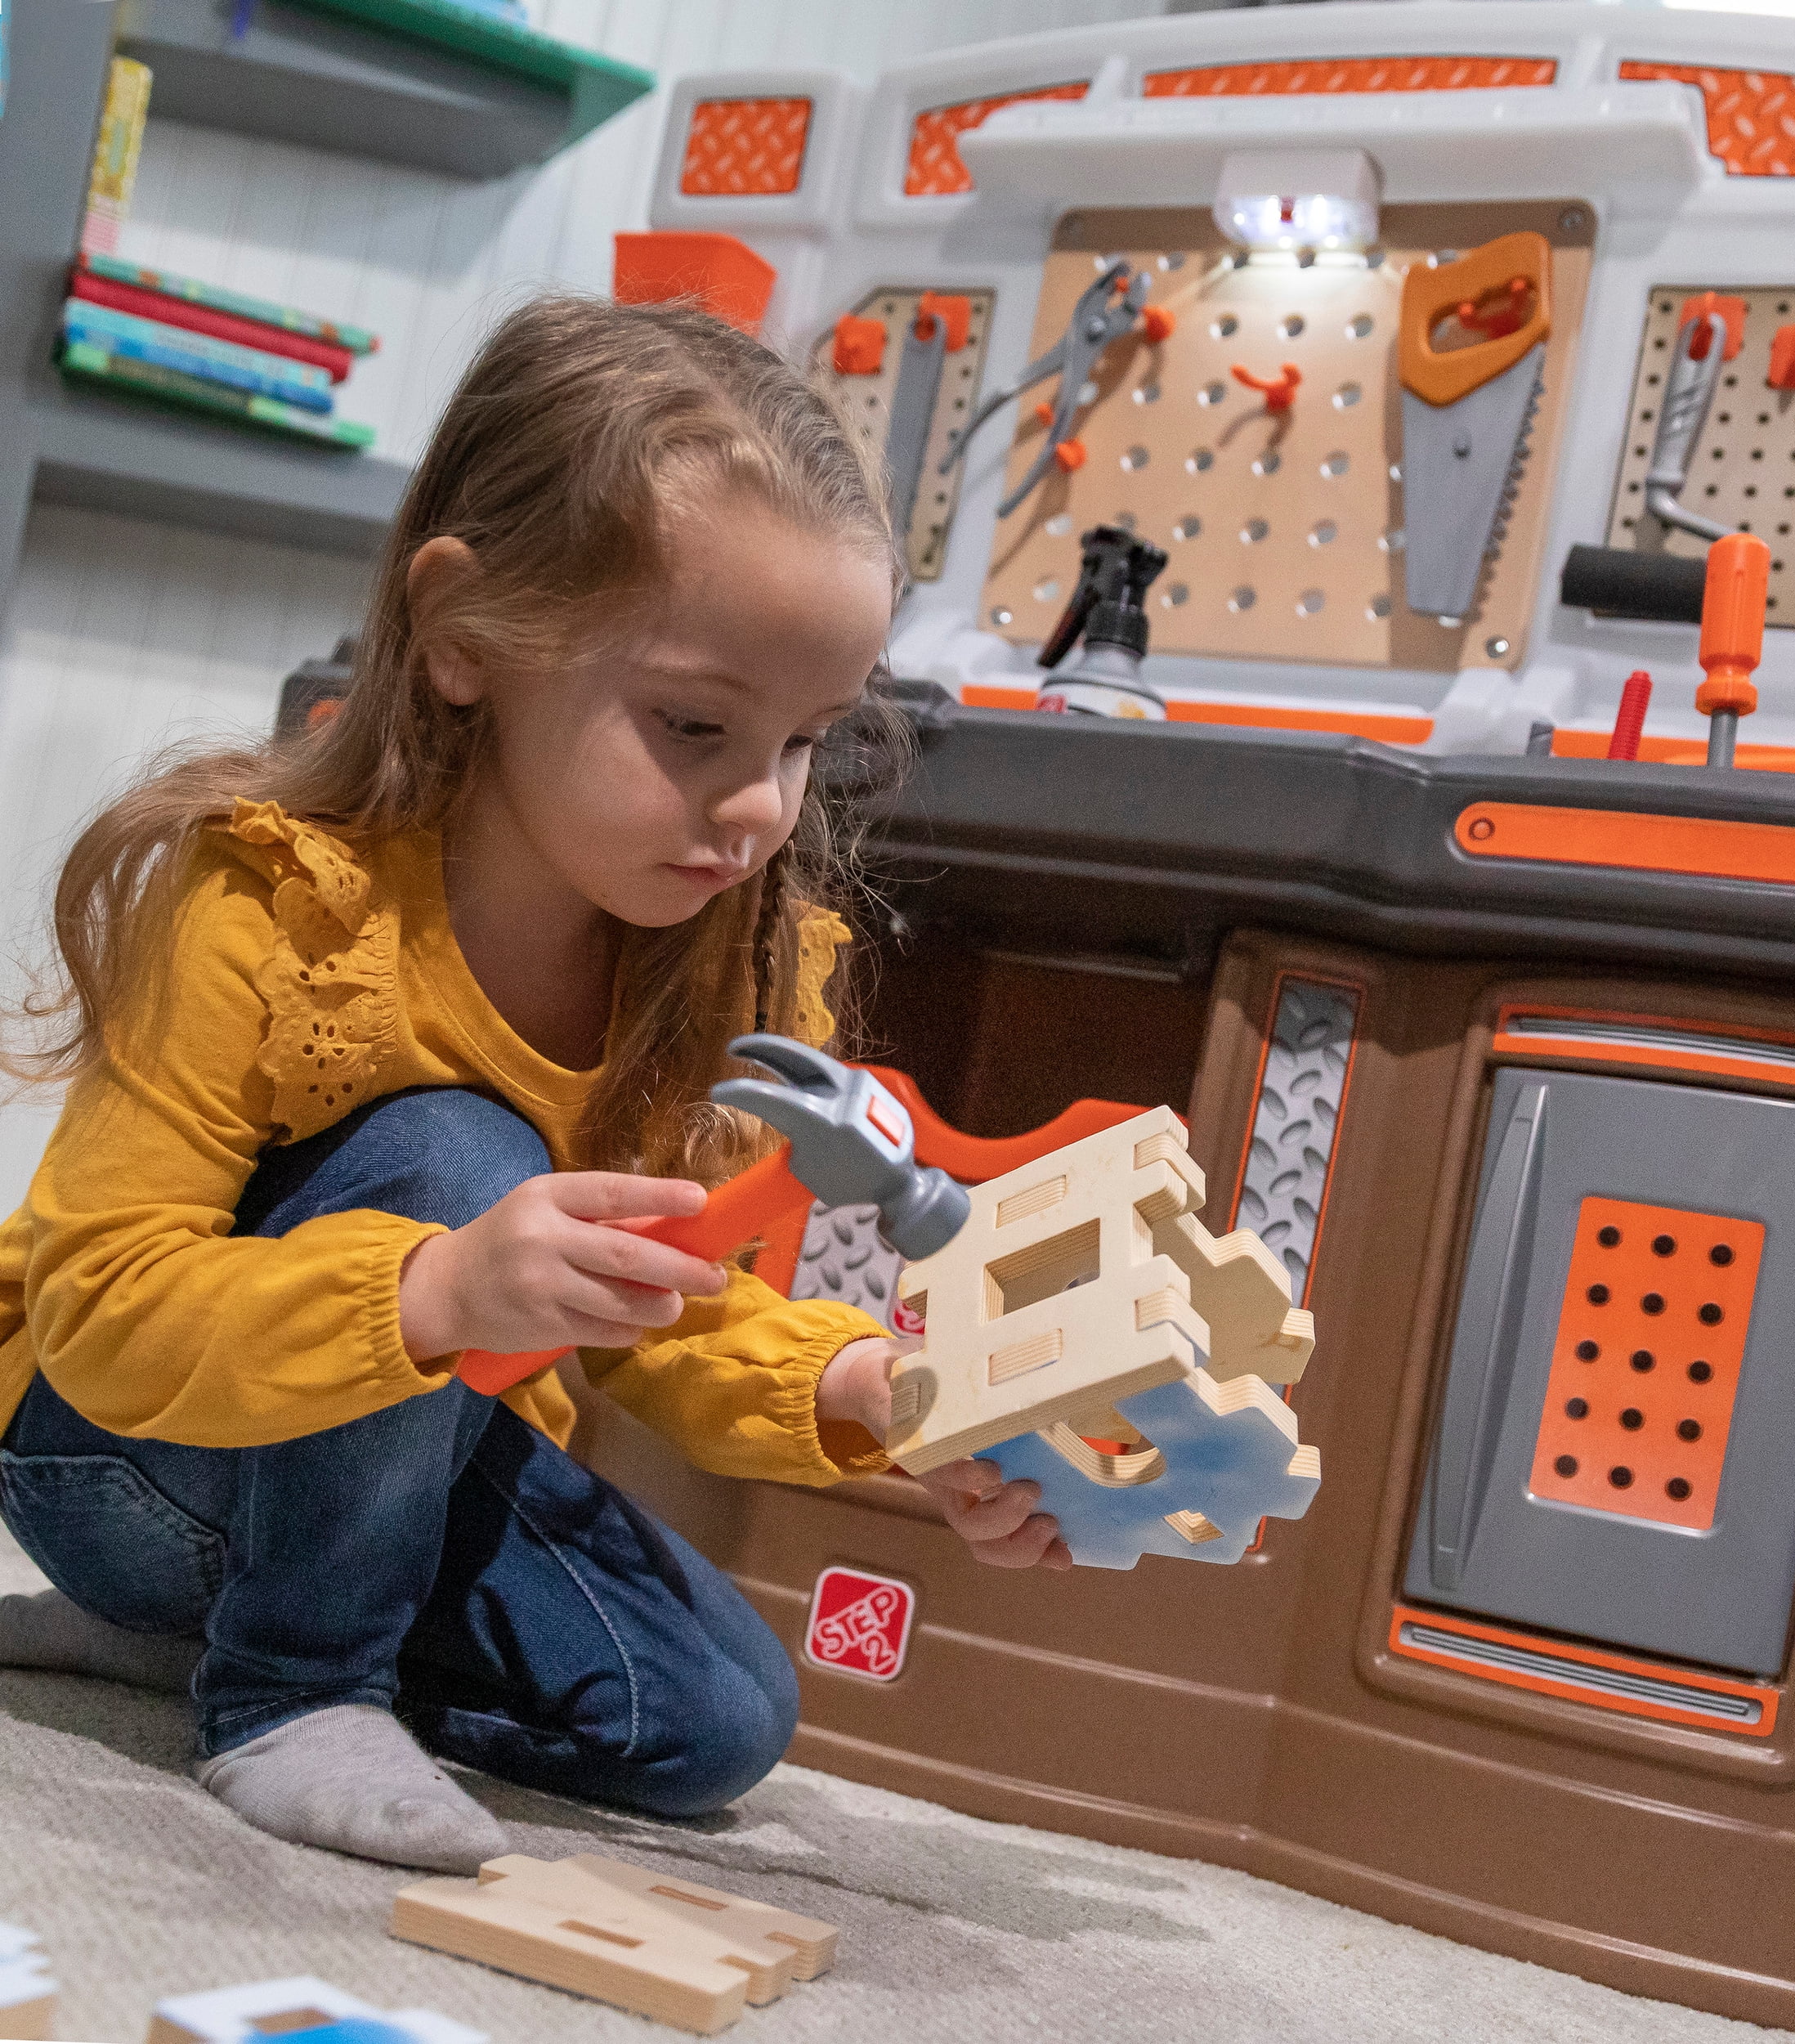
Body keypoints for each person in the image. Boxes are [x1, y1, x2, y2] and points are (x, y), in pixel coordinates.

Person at [0, 296, 1068, 1876]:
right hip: (116, 1454)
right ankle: (289, 1688)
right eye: (695, 726)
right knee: (461, 1149)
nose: (760, 808)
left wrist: (870, 1392)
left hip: (404, 1475)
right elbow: (99, 1307)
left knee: (713, 1721)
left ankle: (197, 1631)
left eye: (804, 742)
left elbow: (664, 1303)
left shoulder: (727, 968)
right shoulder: (272, 904)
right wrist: (434, 1291)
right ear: (462, 635)